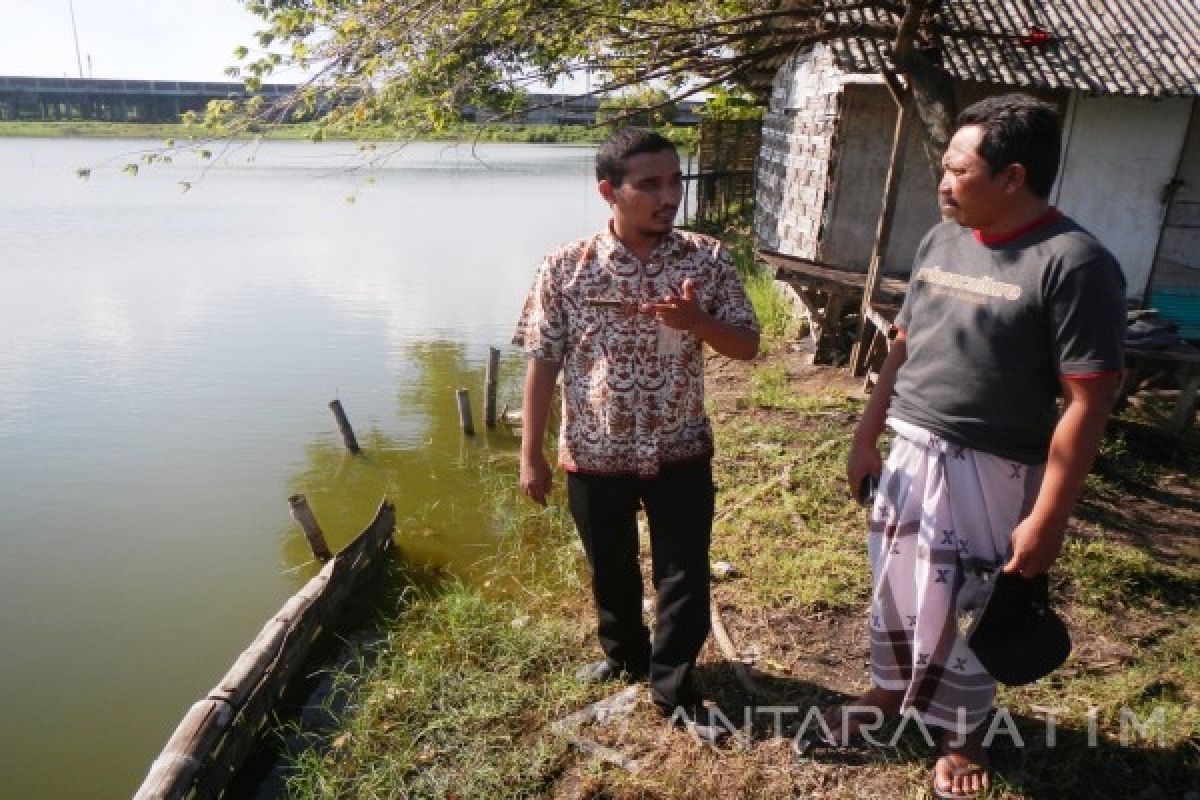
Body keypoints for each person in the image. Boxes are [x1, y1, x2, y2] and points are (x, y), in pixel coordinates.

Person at [833, 94, 1126, 798]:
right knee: (896, 584)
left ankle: (962, 733)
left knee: (964, 599)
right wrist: (867, 435)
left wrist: (1048, 516)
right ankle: (887, 689)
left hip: (991, 465)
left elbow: (1088, 399)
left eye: (958, 169)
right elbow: (900, 349)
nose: (943, 181)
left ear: (1012, 177)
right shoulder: (942, 240)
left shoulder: (1074, 263)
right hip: (907, 450)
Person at [513, 128, 760, 743]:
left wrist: (697, 320)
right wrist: (531, 457)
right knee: (612, 567)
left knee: (684, 572)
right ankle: (624, 654)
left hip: (680, 448)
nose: (667, 195)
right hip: (594, 450)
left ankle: (674, 687)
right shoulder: (565, 267)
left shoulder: (707, 259)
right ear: (608, 191)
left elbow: (749, 345)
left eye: (674, 180)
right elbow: (542, 361)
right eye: (649, 184)